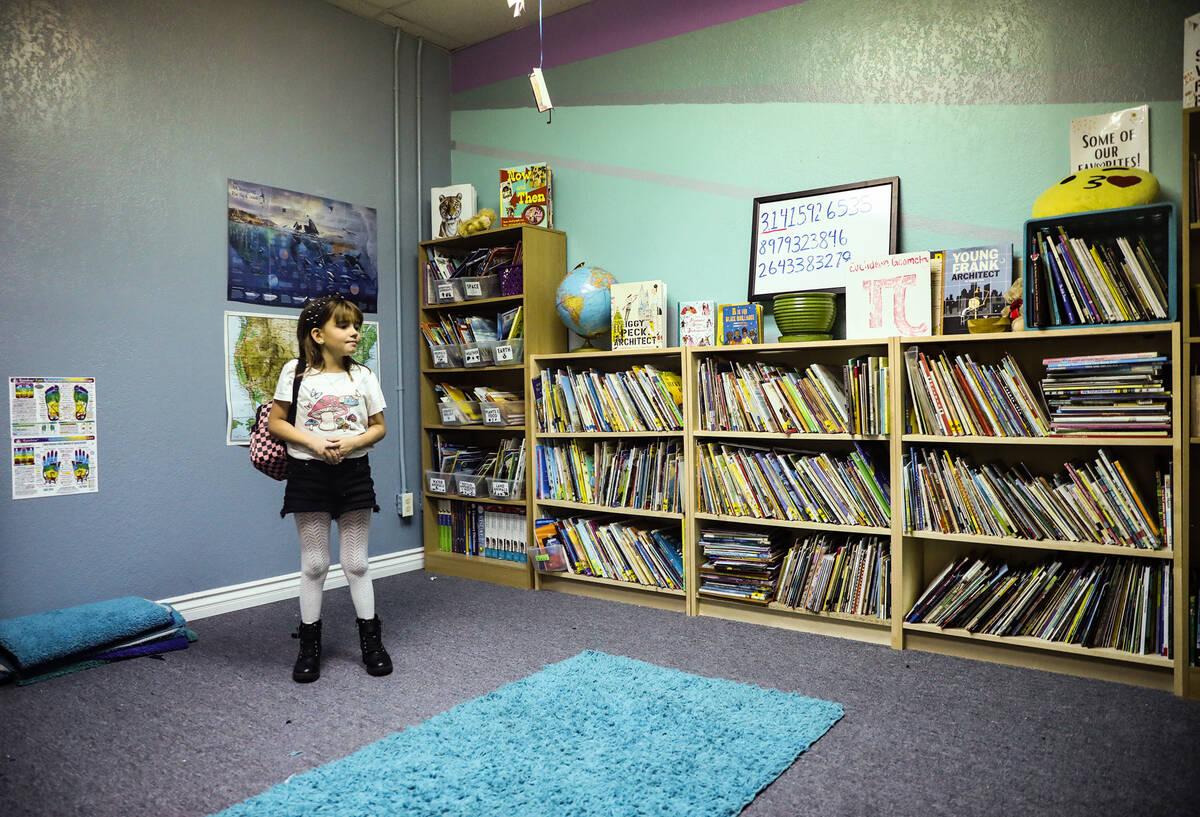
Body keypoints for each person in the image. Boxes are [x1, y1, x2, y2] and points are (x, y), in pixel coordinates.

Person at [267, 294, 392, 683]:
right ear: (319, 334)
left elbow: (378, 426)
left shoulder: (363, 376)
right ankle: (309, 645)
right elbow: (277, 422)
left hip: (353, 474)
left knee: (356, 563)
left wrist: (353, 442)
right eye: (344, 325)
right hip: (309, 476)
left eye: (356, 325)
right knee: (316, 564)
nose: (354, 331)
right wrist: (315, 443)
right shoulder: (295, 372)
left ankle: (372, 641)